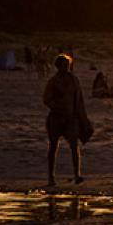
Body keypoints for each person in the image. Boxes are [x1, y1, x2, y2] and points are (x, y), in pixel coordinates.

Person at [42, 54, 87, 186]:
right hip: (55, 118)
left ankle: (77, 175)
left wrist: (82, 117)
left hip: (71, 117)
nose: (66, 68)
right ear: (58, 66)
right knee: (53, 147)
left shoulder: (74, 80)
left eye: (67, 65)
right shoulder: (53, 82)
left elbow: (79, 100)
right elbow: (46, 100)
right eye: (63, 65)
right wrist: (56, 107)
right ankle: (51, 177)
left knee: (74, 146)